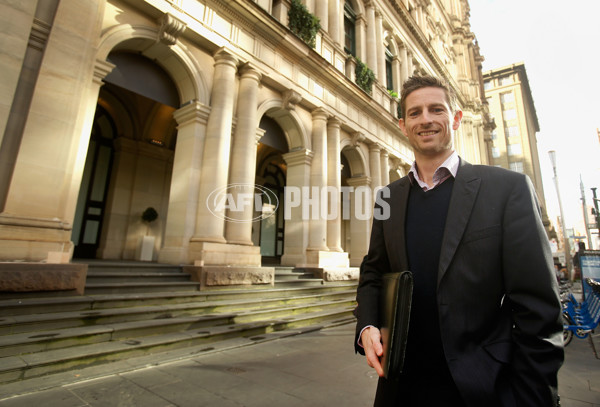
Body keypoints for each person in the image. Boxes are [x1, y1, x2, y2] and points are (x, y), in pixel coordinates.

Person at [354, 75, 564, 406]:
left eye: (436, 109)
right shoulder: (387, 198)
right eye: (415, 112)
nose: (425, 119)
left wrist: (529, 396)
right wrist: (366, 324)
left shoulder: (508, 190)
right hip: (399, 388)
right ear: (403, 124)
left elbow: (540, 312)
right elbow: (373, 273)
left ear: (455, 118)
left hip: (481, 388)